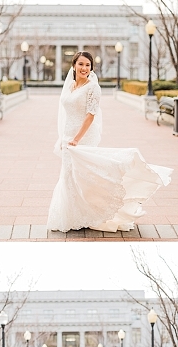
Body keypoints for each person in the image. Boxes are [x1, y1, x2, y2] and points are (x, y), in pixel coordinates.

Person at [47, 51, 172, 233]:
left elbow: (91, 115)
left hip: (82, 138)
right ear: (74, 65)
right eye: (81, 64)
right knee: (68, 176)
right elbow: (67, 114)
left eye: (88, 65)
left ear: (91, 68)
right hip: (68, 137)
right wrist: (63, 137)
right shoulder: (71, 86)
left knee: (82, 176)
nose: (84, 68)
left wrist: (76, 139)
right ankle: (74, 216)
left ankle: (90, 215)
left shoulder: (93, 88)